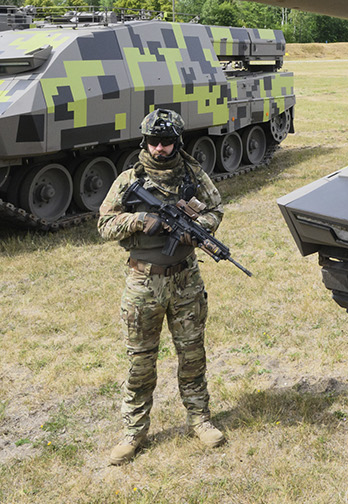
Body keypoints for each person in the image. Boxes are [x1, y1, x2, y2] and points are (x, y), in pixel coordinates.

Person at [95, 107, 227, 464]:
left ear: (177, 142)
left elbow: (216, 209)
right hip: (143, 283)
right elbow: (105, 225)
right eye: (154, 142)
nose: (160, 149)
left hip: (185, 278)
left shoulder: (194, 175)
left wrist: (199, 226)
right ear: (145, 141)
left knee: (192, 355)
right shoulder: (128, 180)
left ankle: (200, 420)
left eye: (167, 142)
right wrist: (139, 220)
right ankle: (133, 433)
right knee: (140, 362)